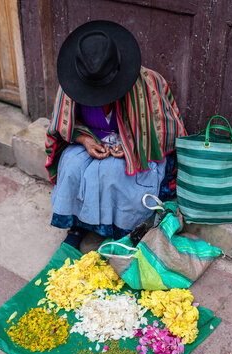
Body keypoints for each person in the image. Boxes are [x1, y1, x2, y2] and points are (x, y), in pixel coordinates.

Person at [45, 20, 186, 249]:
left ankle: (119, 230)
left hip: (136, 146)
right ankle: (79, 224)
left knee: (111, 172)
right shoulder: (72, 81)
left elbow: (167, 135)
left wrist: (130, 147)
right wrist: (84, 140)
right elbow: (63, 124)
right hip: (92, 138)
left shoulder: (148, 83)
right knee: (71, 164)